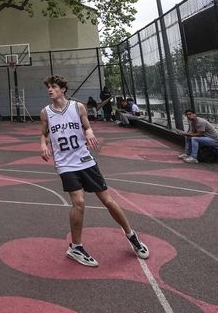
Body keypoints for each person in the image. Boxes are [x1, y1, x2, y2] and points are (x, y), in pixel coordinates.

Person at [39, 75, 149, 267]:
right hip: (65, 164)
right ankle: (76, 247)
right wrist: (43, 144)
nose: (50, 89)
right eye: (48, 87)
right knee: (79, 202)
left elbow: (87, 127)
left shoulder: (78, 107)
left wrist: (89, 131)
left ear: (63, 89)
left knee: (108, 200)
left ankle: (131, 235)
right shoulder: (45, 112)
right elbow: (43, 134)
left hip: (85, 160)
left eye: (54, 86)